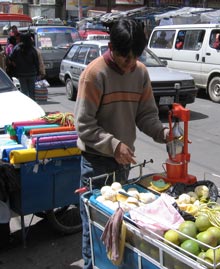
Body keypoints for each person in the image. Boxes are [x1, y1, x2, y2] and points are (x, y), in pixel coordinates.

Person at [74, 18, 169, 269]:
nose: (129, 65)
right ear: (111, 47)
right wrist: (114, 145)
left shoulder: (140, 72)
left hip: (122, 163)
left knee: (119, 226)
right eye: (124, 57)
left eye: (134, 57)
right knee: (94, 227)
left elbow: (145, 115)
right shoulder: (94, 75)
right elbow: (84, 125)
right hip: (96, 163)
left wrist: (163, 133)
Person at [9, 33, 40, 99]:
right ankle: (33, 104)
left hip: (21, 74)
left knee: (24, 91)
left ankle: (26, 105)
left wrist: (14, 64)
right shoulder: (32, 49)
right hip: (32, 73)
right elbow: (36, 62)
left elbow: (10, 57)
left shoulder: (17, 48)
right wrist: (38, 73)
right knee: (32, 91)